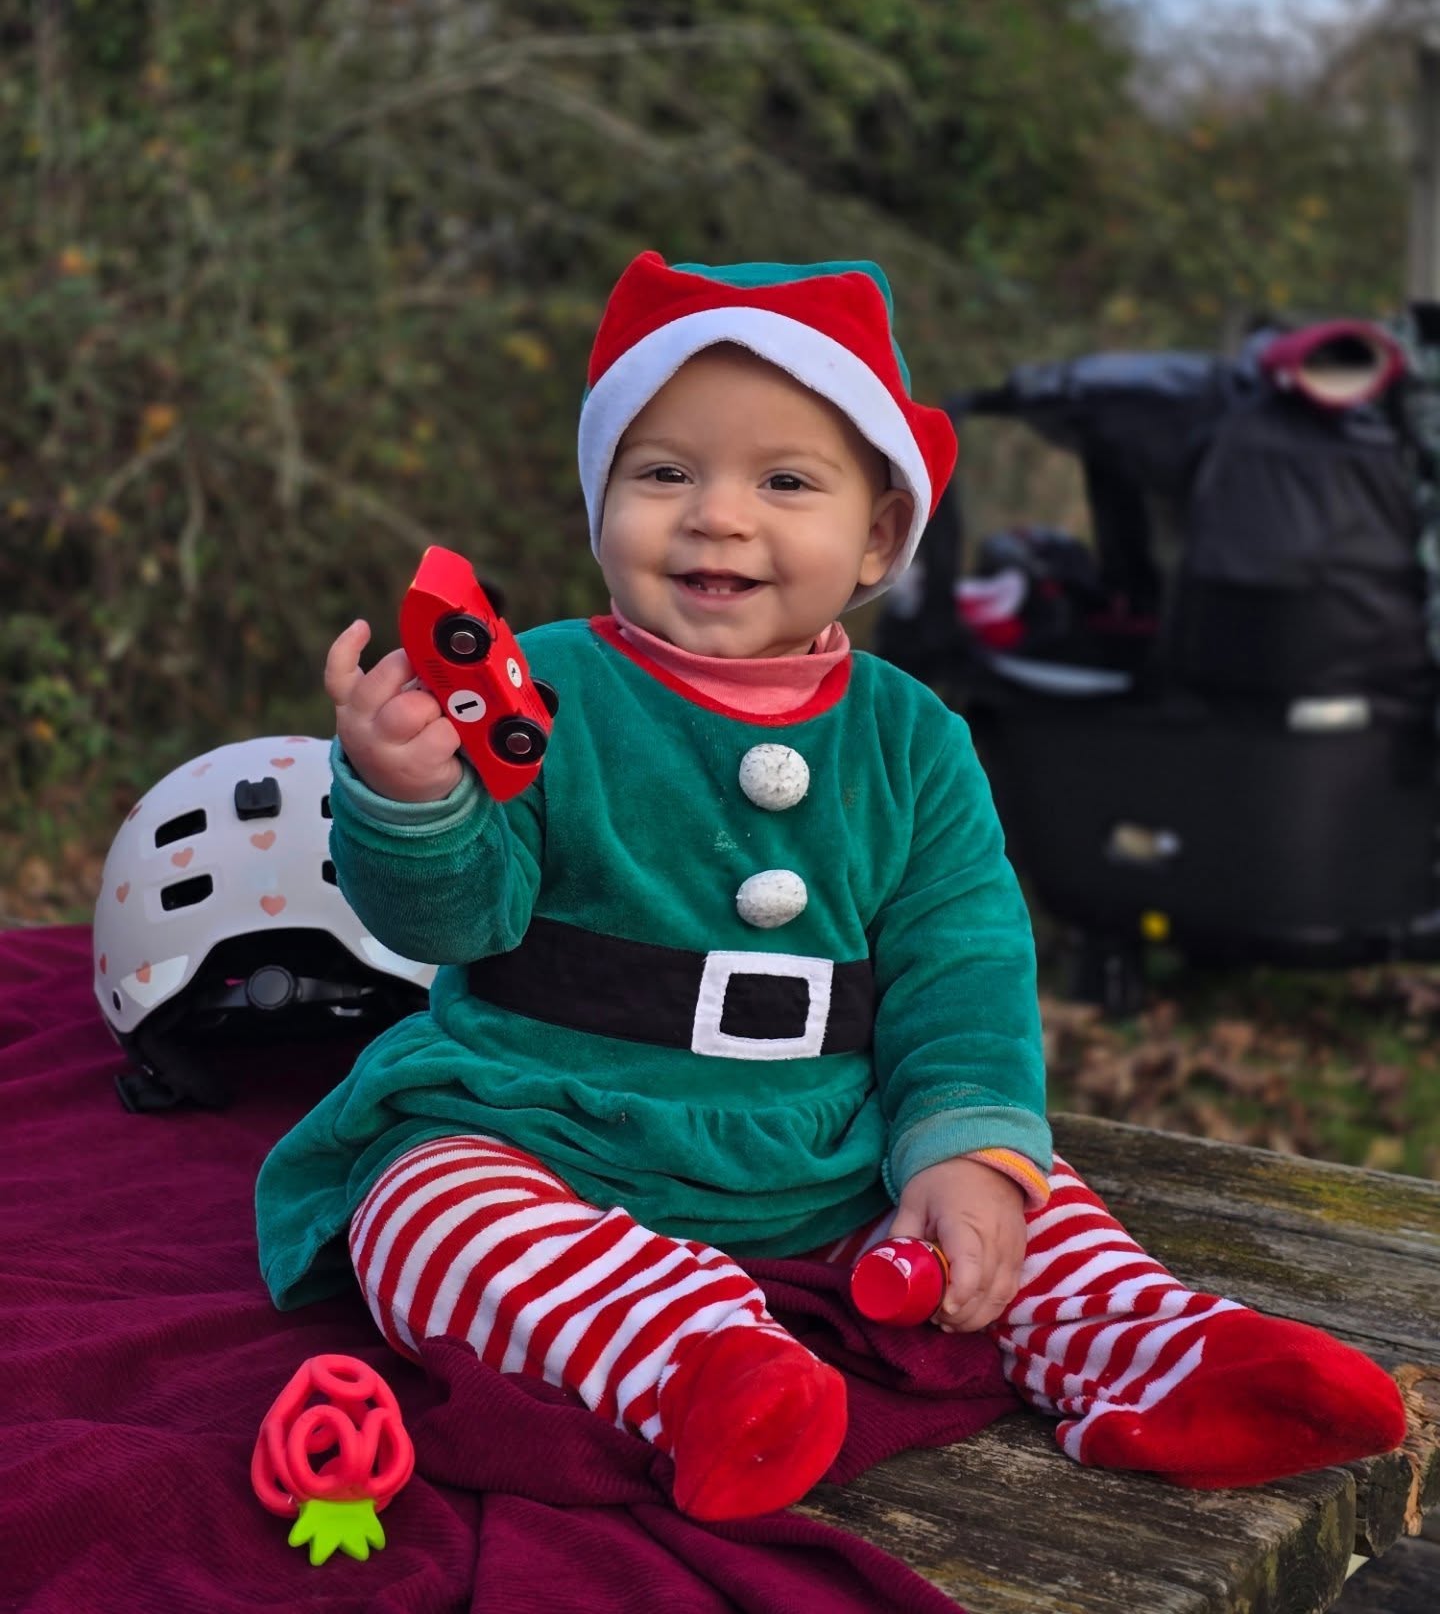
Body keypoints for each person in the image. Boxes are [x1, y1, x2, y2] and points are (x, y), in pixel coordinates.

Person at [256, 253, 1404, 1521]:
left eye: (785, 481)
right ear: (600, 503)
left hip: (826, 1146)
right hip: (545, 1122)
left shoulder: (913, 740)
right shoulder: (549, 691)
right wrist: (412, 797)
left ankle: (1168, 1357)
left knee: (1020, 1205)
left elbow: (961, 965)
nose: (716, 516)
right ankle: (699, 1369)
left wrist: (966, 1146)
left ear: (879, 537)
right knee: (423, 1213)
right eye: (663, 473)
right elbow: (453, 920)